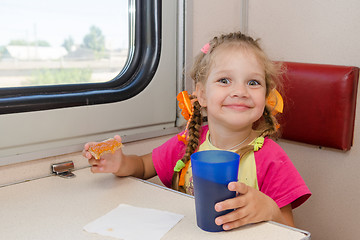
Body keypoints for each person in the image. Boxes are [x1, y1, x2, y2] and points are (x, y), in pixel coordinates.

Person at [83, 31, 311, 230]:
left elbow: (290, 230)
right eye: (224, 80)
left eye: (253, 83)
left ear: (266, 96)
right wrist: (120, 163)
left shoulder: (272, 159)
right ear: (201, 94)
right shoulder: (187, 142)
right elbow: (142, 167)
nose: (240, 91)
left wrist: (269, 209)